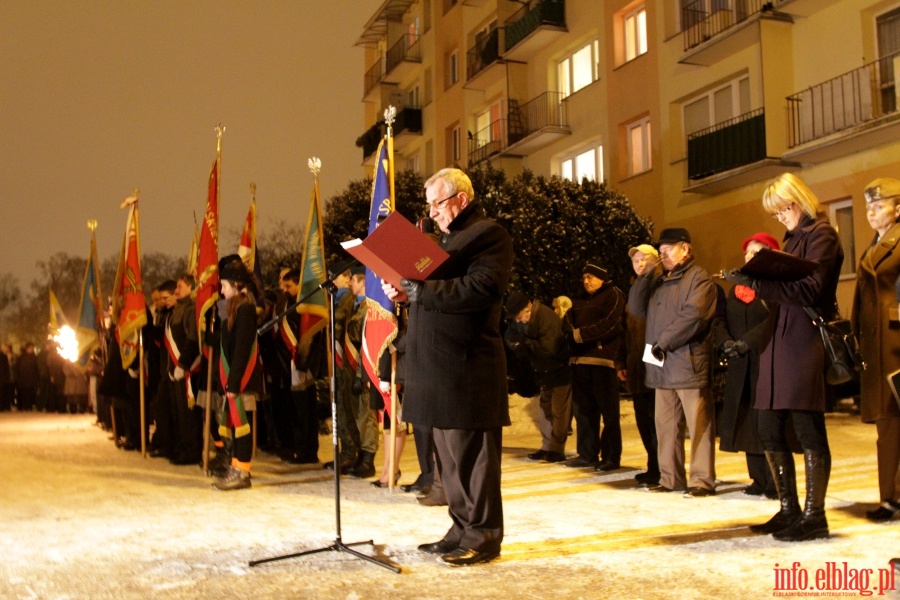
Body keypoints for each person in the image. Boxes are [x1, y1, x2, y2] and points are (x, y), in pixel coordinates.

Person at [382, 167, 513, 567]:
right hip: (437, 368)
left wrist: (419, 290)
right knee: (449, 460)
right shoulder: (443, 241)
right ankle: (461, 527)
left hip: (467, 367)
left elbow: (482, 288)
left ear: (461, 199)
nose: (432, 212)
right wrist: (405, 294)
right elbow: (432, 294)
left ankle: (484, 534)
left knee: (473, 460)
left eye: (437, 203)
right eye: (429, 205)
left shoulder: (489, 235)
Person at [725, 172, 844, 541]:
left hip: (803, 342)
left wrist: (758, 282)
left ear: (797, 201)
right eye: (775, 213)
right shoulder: (792, 240)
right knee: (767, 427)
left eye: (782, 209)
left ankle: (814, 516)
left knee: (808, 428)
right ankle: (789, 508)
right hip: (777, 342)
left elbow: (810, 289)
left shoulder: (821, 235)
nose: (779, 218)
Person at [628, 228, 717, 498]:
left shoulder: (699, 278)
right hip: (662, 366)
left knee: (699, 426)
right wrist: (645, 275)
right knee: (665, 426)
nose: (663, 254)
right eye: (661, 250)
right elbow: (634, 307)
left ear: (685, 249)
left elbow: (694, 316)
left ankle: (702, 480)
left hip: (687, 363)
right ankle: (670, 478)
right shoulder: (658, 282)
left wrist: (662, 343)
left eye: (668, 249)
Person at [714, 232, 781, 499]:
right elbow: (720, 319)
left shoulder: (775, 288)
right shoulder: (736, 289)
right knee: (745, 421)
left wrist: (746, 342)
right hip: (740, 364)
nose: (749, 257)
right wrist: (726, 342)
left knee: (766, 422)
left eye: (756, 252)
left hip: (765, 361)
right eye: (747, 252)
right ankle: (757, 477)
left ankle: (776, 480)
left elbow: (774, 321)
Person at [852, 177, 900, 522]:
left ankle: (892, 498)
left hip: (895, 344)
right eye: (868, 207)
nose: (871, 212)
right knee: (888, 426)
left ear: (898, 209)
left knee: (891, 424)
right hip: (878, 345)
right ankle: (891, 496)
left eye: (879, 205)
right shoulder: (874, 245)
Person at [563, 264, 625, 471]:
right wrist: (574, 335)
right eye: (584, 278)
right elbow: (567, 323)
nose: (586, 281)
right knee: (583, 411)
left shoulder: (613, 295)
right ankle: (587, 454)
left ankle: (610, 456)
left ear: (602, 278)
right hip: (579, 362)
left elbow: (610, 325)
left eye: (590, 277)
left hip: (603, 362)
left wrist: (580, 335)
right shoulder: (579, 300)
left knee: (609, 412)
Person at [212, 259, 264, 491]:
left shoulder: (245, 309)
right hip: (234, 379)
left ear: (236, 284)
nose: (221, 291)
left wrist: (233, 383)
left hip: (242, 379)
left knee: (242, 425)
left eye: (224, 285)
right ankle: (235, 466)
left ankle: (243, 472)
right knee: (236, 425)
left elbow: (242, 349)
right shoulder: (234, 308)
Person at [504, 291, 571, 463]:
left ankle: (557, 449)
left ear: (528, 309)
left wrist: (526, 343)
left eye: (519, 317)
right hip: (544, 372)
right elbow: (510, 336)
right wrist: (520, 343)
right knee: (545, 410)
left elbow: (550, 350)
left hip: (559, 370)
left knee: (558, 411)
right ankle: (547, 447)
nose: (517, 321)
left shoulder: (546, 318)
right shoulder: (523, 321)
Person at [621, 244, 661, 486]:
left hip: (655, 364)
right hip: (637, 366)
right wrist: (621, 361)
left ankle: (660, 468)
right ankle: (653, 466)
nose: (640, 264)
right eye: (635, 261)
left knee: (657, 422)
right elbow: (626, 332)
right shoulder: (636, 290)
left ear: (655, 260)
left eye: (644, 259)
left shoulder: (660, 285)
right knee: (644, 422)